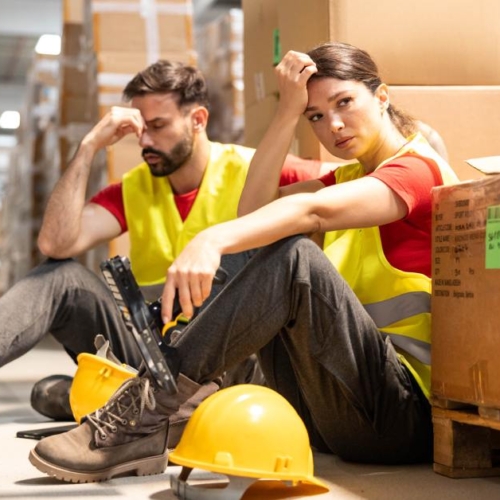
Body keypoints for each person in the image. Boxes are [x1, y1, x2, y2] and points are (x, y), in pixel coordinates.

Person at [28, 41, 459, 483]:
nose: (332, 125)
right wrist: (287, 111)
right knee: (271, 240)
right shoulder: (348, 176)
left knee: (295, 257)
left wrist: (210, 239)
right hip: (339, 410)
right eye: (315, 116)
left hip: (400, 413)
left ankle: (145, 412)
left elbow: (312, 212)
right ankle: (161, 407)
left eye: (344, 103)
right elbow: (255, 211)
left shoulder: (418, 169)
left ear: (381, 96)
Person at [0, 60, 325, 422]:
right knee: (57, 278)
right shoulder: (134, 188)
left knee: (53, 393)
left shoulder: (257, 169)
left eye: (158, 126)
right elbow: (55, 244)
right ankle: (134, 402)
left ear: (198, 120)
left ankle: (119, 401)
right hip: (152, 355)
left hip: (226, 360)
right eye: (140, 129)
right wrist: (89, 146)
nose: (145, 141)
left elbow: (346, 187)